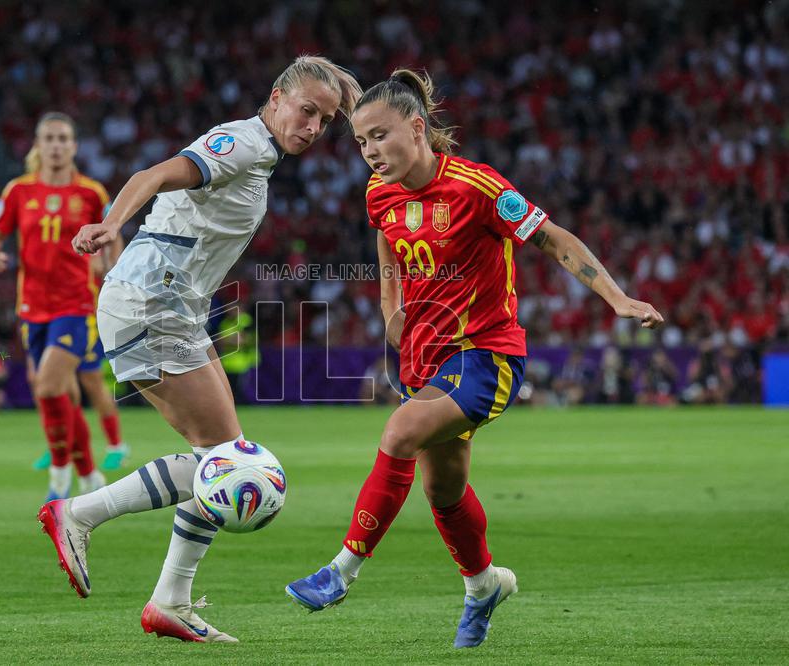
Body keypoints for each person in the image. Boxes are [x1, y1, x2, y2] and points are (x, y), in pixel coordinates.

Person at [285, 70, 664, 648]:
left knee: (399, 433)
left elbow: (555, 239)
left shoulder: (476, 187)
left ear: (417, 128)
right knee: (444, 492)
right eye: (361, 143)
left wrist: (618, 298)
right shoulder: (379, 194)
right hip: (426, 360)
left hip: (487, 354)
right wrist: (392, 310)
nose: (370, 153)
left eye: (380, 137)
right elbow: (386, 249)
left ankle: (339, 572)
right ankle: (484, 584)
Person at [37, 56, 361, 643]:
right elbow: (157, 174)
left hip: (169, 307)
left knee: (224, 455)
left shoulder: (261, 154)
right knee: (226, 461)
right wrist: (112, 224)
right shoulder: (241, 143)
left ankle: (169, 600)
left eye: (326, 119)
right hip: (149, 304)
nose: (313, 127)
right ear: (276, 97)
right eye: (307, 111)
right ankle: (81, 516)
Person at [0, 112, 120, 500]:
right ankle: (90, 475)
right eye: (49, 139)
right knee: (65, 397)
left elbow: (112, 237)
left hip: (75, 306)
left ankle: (59, 477)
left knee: (46, 387)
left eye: (63, 139)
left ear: (73, 146)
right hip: (31, 309)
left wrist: (111, 272)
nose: (56, 146)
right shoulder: (18, 191)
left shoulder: (92, 193)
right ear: (38, 146)